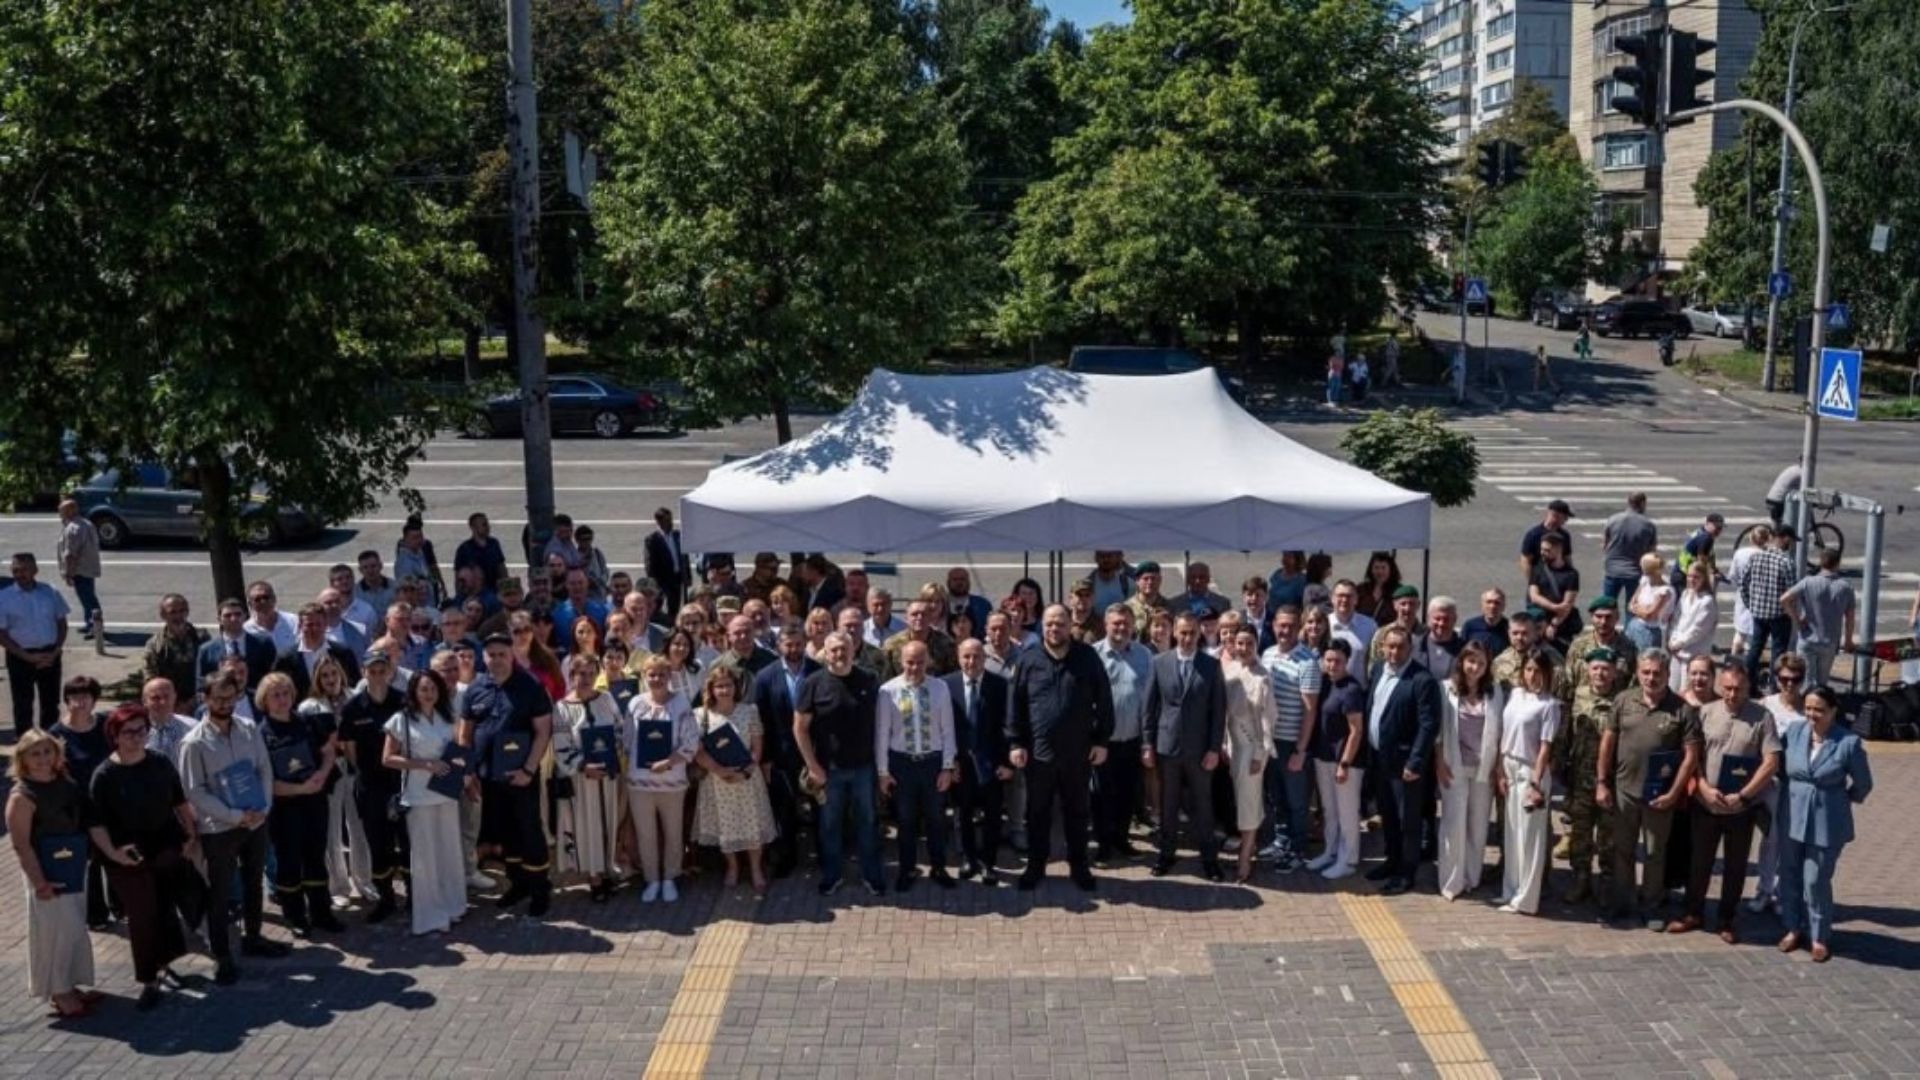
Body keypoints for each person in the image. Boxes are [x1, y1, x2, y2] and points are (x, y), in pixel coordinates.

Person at [177, 672, 286, 984]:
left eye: (230, 698)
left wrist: (263, 808)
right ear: (205, 698)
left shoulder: (249, 729)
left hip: (256, 821)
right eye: (218, 698)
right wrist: (234, 816)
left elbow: (264, 769)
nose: (225, 704)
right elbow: (194, 791)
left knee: (253, 883)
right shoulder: (193, 742)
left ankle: (253, 937)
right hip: (219, 828)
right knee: (221, 893)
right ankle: (222, 954)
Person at [88, 704, 197, 1010]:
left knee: (165, 909)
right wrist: (113, 853)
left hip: (165, 849)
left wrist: (190, 833)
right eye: (128, 732)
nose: (136, 737)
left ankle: (165, 966)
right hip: (128, 859)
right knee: (142, 917)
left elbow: (179, 801)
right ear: (115, 736)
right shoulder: (104, 775)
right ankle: (149, 979)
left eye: (141, 730)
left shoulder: (159, 761)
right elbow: (96, 824)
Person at [1669, 664, 1782, 944]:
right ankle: (1693, 913)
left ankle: (1727, 920)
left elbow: (1771, 761)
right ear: (1720, 686)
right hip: (1706, 803)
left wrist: (1745, 795)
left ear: (1748, 688)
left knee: (1735, 866)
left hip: (1741, 807)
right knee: (1699, 862)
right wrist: (1703, 788)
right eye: (1727, 688)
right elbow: (1693, 756)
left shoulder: (1762, 717)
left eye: (1738, 689)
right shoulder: (1706, 712)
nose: (1732, 694)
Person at [1007, 605, 1114, 892]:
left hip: (1078, 754)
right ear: (1042, 626)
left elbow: (1104, 699)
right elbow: (1015, 703)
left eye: (1060, 624)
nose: (1054, 629)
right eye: (1049, 624)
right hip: (1038, 754)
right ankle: (1035, 866)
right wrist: (1016, 742)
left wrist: (1101, 741)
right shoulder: (1028, 659)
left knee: (1077, 813)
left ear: (1070, 626)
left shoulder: (1087, 657)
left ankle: (1079, 866)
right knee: (1037, 813)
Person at [1599, 650, 1701, 929]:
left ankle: (1652, 905)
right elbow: (1607, 743)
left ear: (1667, 674)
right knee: (1623, 850)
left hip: (1660, 796)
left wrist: (1674, 793)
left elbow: (1691, 757)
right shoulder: (1623, 701)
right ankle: (1623, 902)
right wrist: (1602, 782)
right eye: (1646, 672)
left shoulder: (1681, 709)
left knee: (1656, 853)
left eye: (1657, 673)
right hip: (1624, 790)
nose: (1651, 678)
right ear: (1637, 672)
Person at [7, 730, 101, 1018]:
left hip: (72, 867)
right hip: (45, 873)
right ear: (23, 758)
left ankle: (70, 984)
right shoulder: (21, 796)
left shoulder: (65, 783)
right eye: (35, 754)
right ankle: (59, 991)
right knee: (55, 932)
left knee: (73, 929)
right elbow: (21, 845)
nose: (43, 759)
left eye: (47, 751)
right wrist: (40, 883)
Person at [462, 634, 557, 915]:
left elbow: (543, 732)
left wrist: (528, 769)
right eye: (491, 655)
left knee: (530, 832)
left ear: (512, 655)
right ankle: (518, 884)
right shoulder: (475, 688)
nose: (497, 660)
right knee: (505, 835)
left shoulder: (530, 686)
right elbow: (465, 734)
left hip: (521, 776)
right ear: (483, 658)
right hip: (488, 778)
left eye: (502, 654)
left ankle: (540, 890)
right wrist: (469, 771)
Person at [1777, 686, 1872, 963]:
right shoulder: (1793, 733)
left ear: (1833, 711)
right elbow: (1781, 769)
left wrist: (1841, 800)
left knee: (1815, 879)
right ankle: (1793, 927)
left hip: (1827, 822)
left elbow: (1863, 784)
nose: (1812, 715)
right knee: (1790, 874)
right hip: (1792, 816)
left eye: (1819, 710)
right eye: (1808, 708)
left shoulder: (1848, 742)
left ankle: (1819, 935)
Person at [796, 632, 885, 896]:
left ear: (853, 649)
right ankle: (832, 876)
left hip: (864, 768)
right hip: (828, 770)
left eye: (844, 648)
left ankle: (872, 876)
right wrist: (812, 766)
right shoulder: (813, 683)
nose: (839, 654)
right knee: (829, 825)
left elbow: (882, 723)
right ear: (825, 652)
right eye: (834, 649)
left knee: (868, 823)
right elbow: (800, 728)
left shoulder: (870, 680)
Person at [1142, 614, 1228, 882]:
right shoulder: (1159, 663)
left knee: (1203, 805)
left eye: (1192, 633)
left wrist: (1214, 748)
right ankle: (1166, 854)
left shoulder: (1211, 665)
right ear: (1175, 633)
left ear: (1198, 634)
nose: (1187, 638)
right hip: (1167, 748)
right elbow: (1149, 707)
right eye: (1183, 633)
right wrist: (1147, 743)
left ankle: (1209, 859)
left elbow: (1219, 711)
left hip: (1200, 750)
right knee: (1168, 805)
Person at [382, 669, 466, 935]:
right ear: (414, 692)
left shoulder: (448, 717)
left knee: (449, 851)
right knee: (425, 857)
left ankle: (453, 906)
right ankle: (430, 915)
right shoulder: (401, 720)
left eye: (432, 688)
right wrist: (424, 764)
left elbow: (458, 752)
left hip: (447, 793)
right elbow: (387, 759)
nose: (428, 694)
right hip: (419, 796)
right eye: (423, 689)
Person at [259, 672, 343, 936]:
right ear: (264, 700)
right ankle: (295, 916)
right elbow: (264, 781)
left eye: (286, 693)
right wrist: (299, 789)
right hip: (284, 808)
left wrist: (323, 774)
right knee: (289, 861)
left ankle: (321, 913)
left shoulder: (308, 723)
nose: (282, 699)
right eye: (275, 695)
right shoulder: (260, 734)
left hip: (314, 801)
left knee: (316, 857)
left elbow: (328, 752)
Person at [1364, 626, 1441, 896]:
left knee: (1408, 819)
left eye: (1400, 647)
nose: (1394, 652)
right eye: (1390, 646)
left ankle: (1407, 872)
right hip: (1380, 760)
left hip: (1405, 765)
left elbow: (1428, 725)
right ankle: (1392, 861)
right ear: (1382, 647)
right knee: (1388, 815)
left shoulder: (1422, 680)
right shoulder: (1378, 670)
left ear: (1410, 648)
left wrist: (1416, 762)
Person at [876, 641, 958, 891]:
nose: (914, 667)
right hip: (902, 764)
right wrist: (883, 772)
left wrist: (947, 767)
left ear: (928, 662)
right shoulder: (888, 691)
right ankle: (907, 869)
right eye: (910, 662)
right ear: (901, 662)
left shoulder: (940, 688)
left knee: (936, 819)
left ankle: (938, 867)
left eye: (920, 662)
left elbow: (947, 730)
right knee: (906, 820)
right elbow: (882, 733)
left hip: (932, 762)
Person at [692, 660, 777, 894]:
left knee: (752, 825)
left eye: (728, 685)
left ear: (735, 687)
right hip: (717, 781)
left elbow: (757, 746)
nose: (724, 690)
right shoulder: (700, 715)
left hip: (747, 779)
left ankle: (756, 869)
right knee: (725, 828)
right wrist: (719, 770)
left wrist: (748, 769)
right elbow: (697, 751)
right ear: (710, 689)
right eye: (719, 686)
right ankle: (732, 867)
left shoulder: (749, 711)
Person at [298, 657, 375, 908]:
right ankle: (338, 886)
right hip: (328, 770)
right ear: (317, 679)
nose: (331, 679)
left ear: (341, 674)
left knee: (359, 825)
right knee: (331, 828)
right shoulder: (309, 707)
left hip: (355, 766)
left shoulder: (357, 698)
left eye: (334, 673)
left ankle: (364, 880)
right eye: (325, 675)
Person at [552, 655, 625, 901]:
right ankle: (594, 876)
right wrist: (584, 766)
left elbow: (619, 728)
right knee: (588, 825)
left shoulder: (606, 698)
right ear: (572, 676)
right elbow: (561, 746)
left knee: (607, 821)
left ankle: (606, 869)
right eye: (581, 674)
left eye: (591, 673)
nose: (586, 679)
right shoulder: (562, 708)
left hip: (607, 774)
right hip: (581, 779)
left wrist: (613, 752)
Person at [1436, 642, 1503, 901]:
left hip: (1483, 768)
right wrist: (1439, 763)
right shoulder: (1447, 689)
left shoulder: (1495, 692)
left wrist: (1498, 768)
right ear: (1462, 662)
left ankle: (1471, 877)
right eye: (1471, 661)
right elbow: (1438, 732)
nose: (1475, 667)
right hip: (1454, 766)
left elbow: (1500, 732)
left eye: (1481, 663)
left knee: (1478, 825)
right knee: (1453, 824)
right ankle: (1451, 881)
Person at [1496, 650, 1560, 915]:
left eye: (1538, 671)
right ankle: (1510, 890)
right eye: (1529, 669)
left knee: (1530, 839)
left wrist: (1536, 782)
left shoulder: (1549, 705)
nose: (1532, 676)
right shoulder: (1515, 694)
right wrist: (1500, 769)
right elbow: (1504, 732)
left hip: (1530, 770)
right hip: (1509, 765)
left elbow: (1545, 747)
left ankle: (1526, 899)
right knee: (1512, 835)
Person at [1257, 607, 1321, 870]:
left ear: (1299, 628)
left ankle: (1297, 850)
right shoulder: (1268, 654)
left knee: (1297, 801)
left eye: (1291, 626)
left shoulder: (1308, 662)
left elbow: (1310, 710)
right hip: (1270, 741)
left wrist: (1300, 750)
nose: (1285, 631)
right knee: (1277, 797)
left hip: (1292, 743)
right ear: (1273, 626)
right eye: (1281, 625)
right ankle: (1281, 841)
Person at [946, 638, 1010, 885]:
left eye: (976, 656)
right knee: (962, 813)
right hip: (960, 764)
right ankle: (968, 858)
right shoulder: (946, 685)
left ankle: (988, 862)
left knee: (993, 815)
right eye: (966, 656)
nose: (971, 661)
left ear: (985, 658)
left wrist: (1006, 763)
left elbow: (1008, 725)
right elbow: (942, 728)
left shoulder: (1000, 685)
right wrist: (949, 763)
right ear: (958, 658)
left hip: (991, 764)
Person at [1560, 649, 1620, 906]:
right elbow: (1566, 734)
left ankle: (1606, 883)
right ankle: (1581, 879)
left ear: (1614, 672)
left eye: (1606, 669)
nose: (1600, 673)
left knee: (1609, 836)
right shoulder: (1577, 695)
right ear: (1587, 670)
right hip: (1580, 776)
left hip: (1610, 778)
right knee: (1580, 833)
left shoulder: (1623, 701)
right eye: (1595, 668)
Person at [1750, 654, 1808, 915]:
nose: (1789, 684)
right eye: (1784, 679)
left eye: (1795, 679)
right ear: (1776, 679)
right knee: (1771, 839)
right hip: (1770, 783)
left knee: (1791, 843)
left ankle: (1784, 893)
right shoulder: (1766, 706)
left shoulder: (1808, 709)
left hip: (1796, 786)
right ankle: (1764, 890)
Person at [1306, 640, 1367, 880]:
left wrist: (1345, 763)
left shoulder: (1351, 689)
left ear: (1347, 662)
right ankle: (1330, 852)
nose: (1332, 665)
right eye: (1329, 660)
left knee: (1347, 813)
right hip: (1323, 757)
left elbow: (1356, 730)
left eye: (1338, 661)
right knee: (1329, 811)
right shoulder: (1324, 684)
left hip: (1345, 762)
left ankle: (1348, 859)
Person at [1220, 626, 1275, 884]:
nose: (1243, 648)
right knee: (1242, 799)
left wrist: (1259, 755)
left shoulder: (1262, 677)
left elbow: (1267, 720)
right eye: (1239, 643)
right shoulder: (1230, 670)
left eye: (1249, 643)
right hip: (1234, 745)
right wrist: (1224, 743)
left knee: (1248, 802)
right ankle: (1248, 846)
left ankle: (1244, 858)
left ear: (1256, 645)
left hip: (1253, 747)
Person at [1, 552, 69, 736]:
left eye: (24, 570)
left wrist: (56, 650)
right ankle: (25, 742)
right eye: (15, 570)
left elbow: (61, 624)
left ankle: (50, 739)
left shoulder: (50, 592)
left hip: (50, 654)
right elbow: (2, 634)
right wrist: (26, 656)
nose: (19, 574)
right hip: (20, 656)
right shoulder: (4, 598)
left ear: (35, 570)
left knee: (51, 702)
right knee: (22, 703)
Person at [1781, 548, 1856, 688]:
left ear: (1821, 563)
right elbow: (1850, 618)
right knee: (1822, 683)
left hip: (1808, 638)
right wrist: (1848, 641)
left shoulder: (1808, 582)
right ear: (1838, 563)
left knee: (1805, 682)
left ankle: (1806, 700)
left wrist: (1797, 620)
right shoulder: (1846, 587)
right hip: (1830, 641)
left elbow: (1784, 599)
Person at [1739, 526, 1798, 688]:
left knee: (1755, 649)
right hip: (1779, 615)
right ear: (1785, 538)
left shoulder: (1756, 557)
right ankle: (1774, 686)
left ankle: (1747, 684)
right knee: (1778, 653)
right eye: (1791, 541)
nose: (1791, 544)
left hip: (1758, 613)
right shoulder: (1786, 561)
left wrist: (1751, 605)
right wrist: (1794, 615)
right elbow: (1792, 592)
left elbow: (1743, 584)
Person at [142, 594, 206, 705]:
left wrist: (194, 701)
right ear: (163, 615)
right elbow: (150, 678)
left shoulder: (202, 638)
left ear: (187, 612)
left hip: (201, 700)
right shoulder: (155, 645)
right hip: (168, 703)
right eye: (172, 612)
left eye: (182, 611)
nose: (178, 616)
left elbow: (212, 673)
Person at [55, 500, 104, 646]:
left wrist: (69, 573)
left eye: (61, 511)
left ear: (70, 511)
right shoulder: (86, 523)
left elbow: (71, 554)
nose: (59, 514)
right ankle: (89, 623)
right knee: (87, 597)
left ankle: (95, 626)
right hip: (89, 567)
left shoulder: (73, 528)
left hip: (80, 569)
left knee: (88, 599)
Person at [1667, 562, 1719, 691]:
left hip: (1693, 654)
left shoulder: (1707, 601)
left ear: (1703, 578)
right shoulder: (1686, 594)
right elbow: (1676, 618)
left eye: (1696, 577)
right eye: (1689, 576)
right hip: (1677, 652)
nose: (1691, 580)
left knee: (1687, 690)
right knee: (1672, 688)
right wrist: (1671, 638)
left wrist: (1678, 644)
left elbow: (1697, 630)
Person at [1529, 534, 1582, 651]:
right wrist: (1554, 606)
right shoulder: (1537, 569)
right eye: (1542, 549)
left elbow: (1567, 604)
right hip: (1539, 619)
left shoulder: (1571, 575)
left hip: (1561, 625)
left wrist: (1554, 624)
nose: (1542, 553)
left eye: (1547, 550)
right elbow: (1534, 596)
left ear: (1558, 550)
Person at [1601, 493, 1658, 602]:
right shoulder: (1648, 525)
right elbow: (1651, 553)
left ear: (1628, 502)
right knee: (1632, 606)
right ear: (1642, 504)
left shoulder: (1613, 519)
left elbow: (1604, 545)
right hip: (1635, 572)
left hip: (1612, 570)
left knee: (1607, 605)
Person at [1518, 500, 1574, 588]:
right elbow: (1525, 561)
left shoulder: (1565, 535)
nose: (1565, 521)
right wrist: (1533, 583)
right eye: (1565, 518)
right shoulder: (1534, 534)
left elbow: (1567, 559)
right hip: (1540, 580)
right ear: (1555, 516)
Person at [644, 509, 689, 619]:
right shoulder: (652, 540)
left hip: (677, 577)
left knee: (675, 605)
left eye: (671, 520)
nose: (671, 523)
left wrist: (687, 575)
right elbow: (649, 563)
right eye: (667, 520)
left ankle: (672, 623)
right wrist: (654, 582)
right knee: (658, 605)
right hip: (662, 580)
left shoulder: (677, 535)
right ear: (659, 522)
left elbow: (684, 557)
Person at [1626, 553, 1674, 652]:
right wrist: (1643, 610)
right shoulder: (1645, 580)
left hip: (1650, 631)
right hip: (1635, 624)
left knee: (1645, 656)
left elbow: (1650, 615)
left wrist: (1637, 609)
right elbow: (1631, 603)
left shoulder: (1664, 591)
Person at [455, 512, 509, 594]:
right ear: (473, 528)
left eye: (487, 524)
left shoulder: (494, 544)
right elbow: (458, 576)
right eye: (484, 525)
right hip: (475, 593)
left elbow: (501, 567)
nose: (488, 527)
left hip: (495, 589)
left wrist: (506, 587)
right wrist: (460, 595)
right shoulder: (464, 549)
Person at [244, 580, 300, 653]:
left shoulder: (294, 621)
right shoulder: (246, 631)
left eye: (266, 597)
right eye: (257, 599)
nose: (263, 602)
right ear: (250, 604)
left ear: (274, 599)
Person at [1353, 553, 1403, 627]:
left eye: (1383, 568)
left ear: (1390, 569)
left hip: (1388, 632)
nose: (1380, 571)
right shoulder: (1361, 589)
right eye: (1376, 567)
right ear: (1371, 569)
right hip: (1363, 631)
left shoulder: (1399, 591)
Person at [1460, 589, 1509, 655]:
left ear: (1503, 606)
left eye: (1497, 603)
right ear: (1482, 605)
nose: (1492, 606)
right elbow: (1462, 653)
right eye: (1489, 602)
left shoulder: (1510, 628)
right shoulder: (1470, 626)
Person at [1765, 463, 1803, 530]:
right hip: (1778, 500)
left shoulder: (1794, 468)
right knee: (1790, 524)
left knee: (1778, 526)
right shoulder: (1803, 473)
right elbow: (1808, 492)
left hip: (1772, 498)